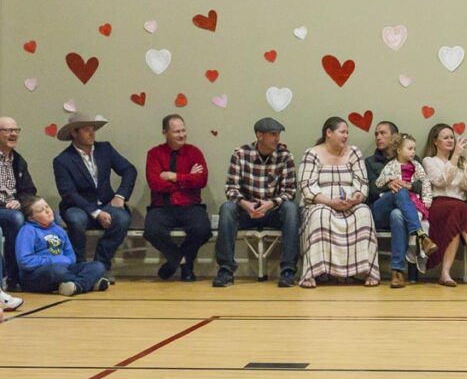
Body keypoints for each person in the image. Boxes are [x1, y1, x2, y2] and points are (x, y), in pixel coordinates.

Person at [213, 117, 299, 289]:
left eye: (278, 134)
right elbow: (231, 188)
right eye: (273, 134)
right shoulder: (241, 154)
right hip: (247, 211)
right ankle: (226, 271)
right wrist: (245, 204)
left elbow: (290, 191)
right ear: (259, 135)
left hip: (272, 211)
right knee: (227, 208)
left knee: (291, 209)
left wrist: (271, 203)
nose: (277, 139)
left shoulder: (285, 156)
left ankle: (288, 271)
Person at [52, 112, 136, 281]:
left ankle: (101, 265)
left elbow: (129, 170)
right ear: (74, 133)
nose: (91, 133)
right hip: (78, 206)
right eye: (86, 130)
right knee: (75, 220)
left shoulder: (105, 149)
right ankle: (80, 266)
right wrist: (96, 213)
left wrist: (120, 195)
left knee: (122, 219)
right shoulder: (62, 160)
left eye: (93, 129)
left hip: (106, 202)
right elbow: (68, 193)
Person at [298, 117, 379, 287]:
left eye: (347, 132)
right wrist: (329, 202)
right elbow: (307, 186)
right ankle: (315, 272)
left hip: (349, 204)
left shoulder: (354, 153)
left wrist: (357, 197)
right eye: (342, 132)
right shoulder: (312, 154)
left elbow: (362, 183)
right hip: (321, 203)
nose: (346, 136)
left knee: (364, 212)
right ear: (329, 133)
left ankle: (365, 271)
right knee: (321, 214)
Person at [143, 114, 212, 282]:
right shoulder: (154, 154)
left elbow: (201, 180)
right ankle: (183, 263)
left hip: (190, 205)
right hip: (161, 206)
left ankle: (173, 264)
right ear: (165, 133)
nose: (182, 135)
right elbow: (155, 183)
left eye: (183, 130)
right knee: (152, 231)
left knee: (202, 230)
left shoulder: (194, 152)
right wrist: (187, 179)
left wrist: (173, 176)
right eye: (176, 132)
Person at [422, 124, 467, 287]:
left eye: (452, 137)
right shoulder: (429, 161)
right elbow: (441, 181)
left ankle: (445, 274)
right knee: (460, 208)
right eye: (445, 137)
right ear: (435, 141)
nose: (450, 140)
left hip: (457, 208)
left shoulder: (462, 161)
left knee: (458, 211)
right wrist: (455, 156)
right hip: (438, 204)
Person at [366, 121, 428, 285]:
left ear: (394, 137)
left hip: (403, 210)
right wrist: (389, 184)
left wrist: (408, 185)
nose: (378, 137)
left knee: (397, 215)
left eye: (383, 133)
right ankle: (421, 234)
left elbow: (422, 185)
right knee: (398, 190)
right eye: (376, 134)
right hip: (380, 209)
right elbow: (371, 190)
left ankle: (397, 272)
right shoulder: (371, 162)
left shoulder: (413, 160)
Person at [15, 196, 109, 296]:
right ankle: (88, 283)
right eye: (41, 210)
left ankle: (77, 286)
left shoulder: (58, 229)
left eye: (47, 207)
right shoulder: (27, 230)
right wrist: (53, 260)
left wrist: (66, 261)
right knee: (57, 271)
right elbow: (24, 261)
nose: (47, 211)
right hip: (36, 275)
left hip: (64, 269)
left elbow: (71, 256)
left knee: (98, 266)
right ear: (31, 218)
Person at [0, 115, 36, 293]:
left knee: (49, 216)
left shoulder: (18, 160)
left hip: (14, 207)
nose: (13, 134)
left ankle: (36, 274)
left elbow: (29, 190)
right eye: (8, 130)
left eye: (16, 130)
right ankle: (13, 277)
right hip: (4, 209)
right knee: (16, 219)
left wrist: (18, 201)